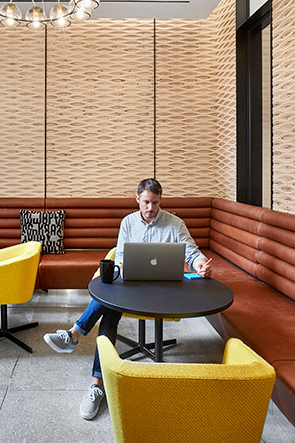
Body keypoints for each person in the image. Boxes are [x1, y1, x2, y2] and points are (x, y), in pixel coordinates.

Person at [42, 178, 213, 420]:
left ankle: (76, 337)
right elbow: (121, 254)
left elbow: (193, 253)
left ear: (160, 201)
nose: (150, 208)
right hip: (132, 285)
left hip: (164, 291)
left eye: (155, 203)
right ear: (137, 199)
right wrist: (122, 263)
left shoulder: (175, 224)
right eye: (146, 202)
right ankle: (95, 383)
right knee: (110, 305)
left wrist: (201, 265)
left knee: (109, 306)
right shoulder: (128, 222)